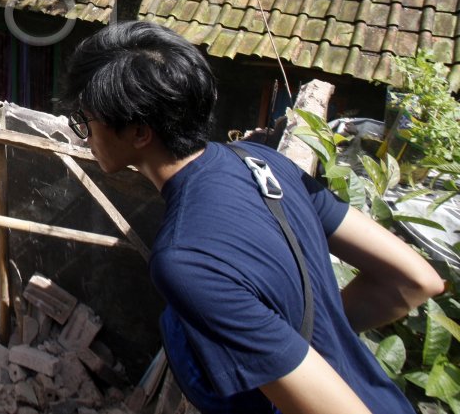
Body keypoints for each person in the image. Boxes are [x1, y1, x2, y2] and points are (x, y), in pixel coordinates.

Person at [61, 21, 443, 414]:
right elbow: (415, 279)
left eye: (85, 123)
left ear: (140, 132)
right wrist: (296, 352)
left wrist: (289, 354)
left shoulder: (184, 259)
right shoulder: (264, 163)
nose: (84, 136)